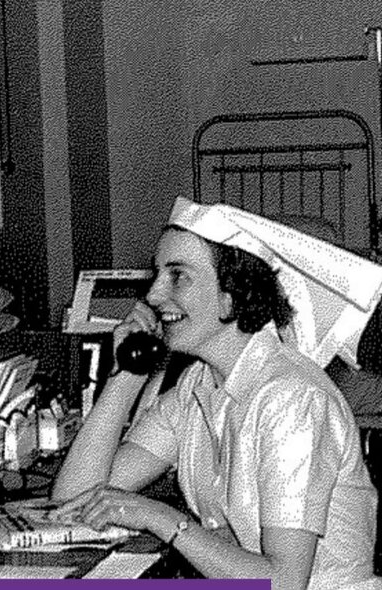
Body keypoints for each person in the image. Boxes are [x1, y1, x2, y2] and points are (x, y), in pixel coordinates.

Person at [52, 197, 382, 590]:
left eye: (178, 276)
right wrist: (128, 373)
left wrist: (160, 518)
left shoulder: (292, 399)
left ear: (232, 295)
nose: (153, 296)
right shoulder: (198, 384)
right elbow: (75, 497)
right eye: (159, 274)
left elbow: (283, 581)